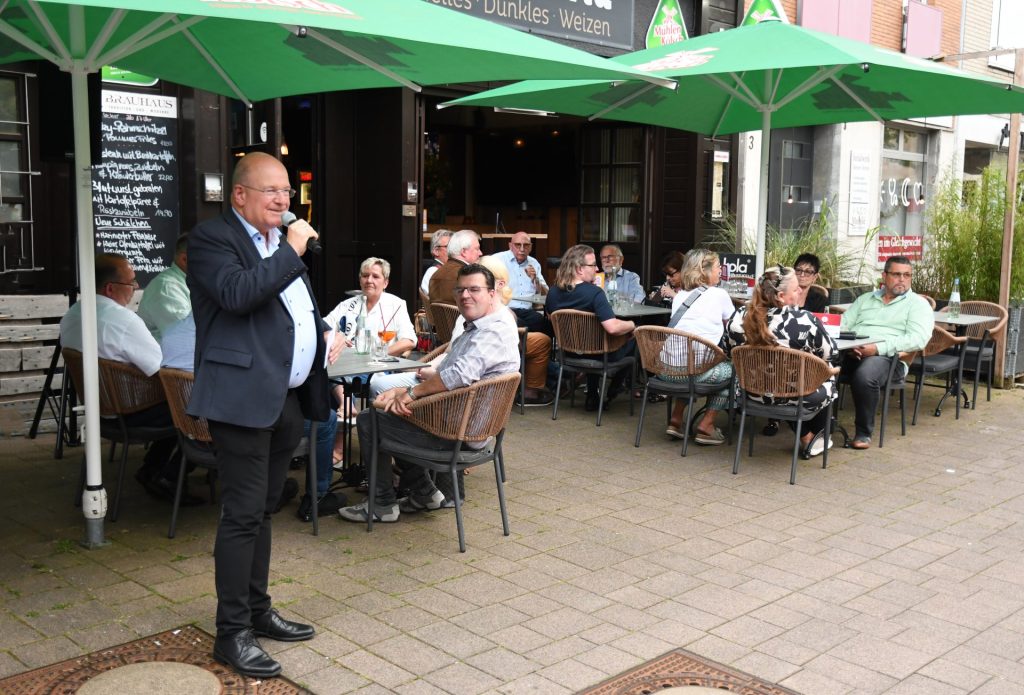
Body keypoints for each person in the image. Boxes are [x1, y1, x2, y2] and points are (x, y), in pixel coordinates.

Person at [187, 152, 343, 679]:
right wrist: (295, 249)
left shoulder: (279, 245)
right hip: (240, 402)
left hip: (285, 401)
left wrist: (322, 331)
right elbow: (237, 296)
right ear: (239, 196)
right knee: (241, 514)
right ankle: (231, 632)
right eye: (271, 190)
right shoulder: (214, 241)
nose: (284, 200)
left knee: (265, 508)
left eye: (287, 192)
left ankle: (257, 609)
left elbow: (293, 308)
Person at [338, 263, 520, 523]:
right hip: (461, 423)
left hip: (459, 434)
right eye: (461, 290)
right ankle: (425, 493)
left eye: (474, 289)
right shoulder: (479, 325)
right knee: (393, 409)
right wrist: (404, 391)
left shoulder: (492, 331)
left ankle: (382, 504)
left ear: (492, 294)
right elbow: (450, 372)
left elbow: (457, 375)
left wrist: (411, 394)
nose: (466, 295)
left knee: (370, 420)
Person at [158, 312, 331, 520]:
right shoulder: (235, 341)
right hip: (241, 429)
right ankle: (317, 497)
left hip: (191, 428)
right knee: (326, 421)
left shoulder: (169, 334)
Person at [60, 253, 194, 503]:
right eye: (131, 283)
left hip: (100, 406)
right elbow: (162, 370)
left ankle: (152, 468)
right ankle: (169, 475)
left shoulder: (74, 313)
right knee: (196, 406)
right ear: (110, 288)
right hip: (130, 411)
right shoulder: (122, 320)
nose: (136, 288)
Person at [726, 265, 839, 456]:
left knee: (785, 380)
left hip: (750, 394)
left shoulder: (738, 317)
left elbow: (729, 351)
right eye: (796, 289)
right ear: (780, 296)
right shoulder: (804, 320)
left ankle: (807, 435)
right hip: (795, 397)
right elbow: (830, 354)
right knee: (827, 375)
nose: (801, 291)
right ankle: (814, 436)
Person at [322, 256, 416, 468]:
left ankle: (339, 440)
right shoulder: (349, 304)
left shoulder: (395, 305)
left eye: (375, 276)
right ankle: (345, 405)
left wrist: (379, 352)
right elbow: (324, 326)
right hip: (345, 362)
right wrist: (334, 337)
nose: (369, 280)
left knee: (343, 373)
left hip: (378, 366)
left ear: (386, 282)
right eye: (365, 275)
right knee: (322, 366)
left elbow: (409, 340)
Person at [839, 255, 934, 450]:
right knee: (819, 363)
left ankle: (863, 432)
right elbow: (843, 324)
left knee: (866, 373)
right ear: (884, 276)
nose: (902, 279)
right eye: (897, 274)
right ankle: (816, 427)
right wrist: (850, 347)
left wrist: (877, 349)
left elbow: (918, 339)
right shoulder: (865, 299)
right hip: (853, 351)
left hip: (891, 359)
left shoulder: (917, 305)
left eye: (907, 275)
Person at [545, 244, 635, 411]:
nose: (598, 268)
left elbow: (552, 319)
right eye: (593, 265)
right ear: (580, 269)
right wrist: (632, 325)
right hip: (600, 356)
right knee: (634, 341)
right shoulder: (595, 293)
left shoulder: (553, 292)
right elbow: (613, 328)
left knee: (595, 339)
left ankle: (593, 394)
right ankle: (612, 392)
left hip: (568, 353)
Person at [662, 249, 735, 445]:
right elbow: (734, 327)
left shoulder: (680, 295)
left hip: (665, 370)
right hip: (692, 373)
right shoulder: (719, 294)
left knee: (694, 360)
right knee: (733, 371)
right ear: (705, 271)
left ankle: (676, 419)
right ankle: (707, 425)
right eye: (719, 267)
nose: (721, 271)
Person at [762, 252, 829, 437]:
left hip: (756, 381)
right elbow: (828, 352)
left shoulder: (818, 299)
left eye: (808, 272)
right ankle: (811, 434)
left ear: (815, 276)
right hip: (788, 368)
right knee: (819, 376)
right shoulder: (781, 306)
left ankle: (806, 431)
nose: (802, 275)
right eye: (799, 270)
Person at [137, 233, 191, 341]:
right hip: (165, 356)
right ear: (184, 259)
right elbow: (186, 333)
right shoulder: (166, 287)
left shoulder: (193, 282)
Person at [496, 230, 548, 333]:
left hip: (527, 311)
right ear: (510, 246)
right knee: (519, 325)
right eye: (518, 245)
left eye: (526, 245)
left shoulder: (534, 263)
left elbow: (544, 295)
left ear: (531, 247)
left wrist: (535, 279)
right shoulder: (498, 260)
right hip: (506, 309)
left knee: (546, 325)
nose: (522, 249)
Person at [428, 229, 482, 304]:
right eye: (477, 248)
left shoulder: (436, 273)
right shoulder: (466, 276)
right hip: (462, 315)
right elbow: (478, 306)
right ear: (464, 252)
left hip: (439, 315)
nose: (480, 253)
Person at [420, 229, 451, 294]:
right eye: (449, 246)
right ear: (436, 251)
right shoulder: (433, 272)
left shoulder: (448, 269)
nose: (453, 250)